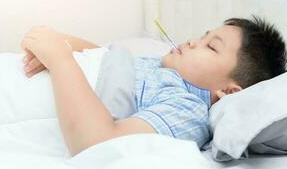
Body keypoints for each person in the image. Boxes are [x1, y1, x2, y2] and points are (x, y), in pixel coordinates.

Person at [21, 16, 287, 156]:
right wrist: (59, 42)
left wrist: (59, 57)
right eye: (203, 35)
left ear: (228, 92)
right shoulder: (161, 66)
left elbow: (98, 142)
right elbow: (105, 58)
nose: (193, 41)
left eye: (211, 46)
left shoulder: (188, 110)